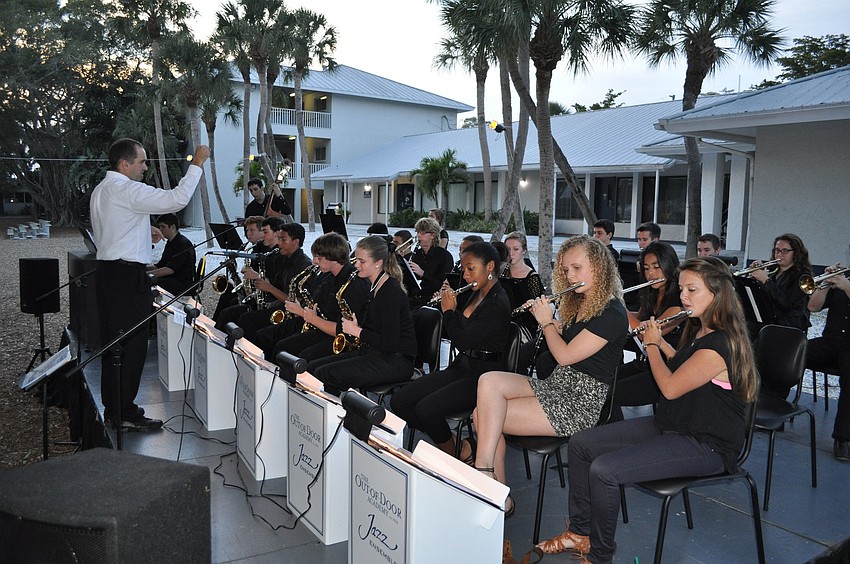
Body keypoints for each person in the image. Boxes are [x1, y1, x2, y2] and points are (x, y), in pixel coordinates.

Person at [535, 256, 758, 564]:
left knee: (605, 470)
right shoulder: (703, 329)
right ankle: (580, 533)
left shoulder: (722, 344)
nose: (683, 296)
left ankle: (601, 556)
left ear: (717, 294)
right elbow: (683, 363)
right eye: (681, 289)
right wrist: (659, 344)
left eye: (692, 290)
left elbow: (669, 387)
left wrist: (652, 345)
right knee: (582, 444)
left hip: (707, 443)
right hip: (675, 424)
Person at [472, 236, 628, 515]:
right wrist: (554, 324)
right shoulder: (582, 302)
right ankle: (490, 481)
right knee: (489, 381)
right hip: (558, 385)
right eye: (566, 270)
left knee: (481, 415)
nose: (570, 276)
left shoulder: (612, 311)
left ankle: (489, 483)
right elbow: (569, 346)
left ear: (599, 267)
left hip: (581, 401)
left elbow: (566, 356)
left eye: (577, 268)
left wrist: (545, 323)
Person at [90, 138, 209, 431]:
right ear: (124, 164)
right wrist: (196, 165)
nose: (145, 167)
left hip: (108, 272)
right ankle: (125, 413)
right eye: (142, 162)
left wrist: (145, 229)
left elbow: (116, 226)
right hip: (127, 277)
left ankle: (115, 410)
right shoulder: (127, 188)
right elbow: (176, 200)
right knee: (131, 346)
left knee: (114, 345)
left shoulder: (103, 189)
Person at [391, 242, 510, 459]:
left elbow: (462, 340)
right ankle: (458, 446)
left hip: (483, 376)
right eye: (463, 269)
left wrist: (448, 312)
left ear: (490, 266)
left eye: (471, 268)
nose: (465, 275)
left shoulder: (497, 302)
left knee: (426, 410)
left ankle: (456, 454)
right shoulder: (476, 292)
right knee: (400, 401)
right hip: (462, 367)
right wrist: (449, 305)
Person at [308, 236, 417, 396]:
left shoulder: (390, 292)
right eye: (355, 259)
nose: (356, 265)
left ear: (378, 262)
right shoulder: (376, 286)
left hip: (396, 360)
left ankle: (343, 416)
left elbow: (390, 344)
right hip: (378, 353)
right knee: (312, 368)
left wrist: (357, 331)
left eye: (361, 261)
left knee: (325, 374)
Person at [612, 241, 684, 420]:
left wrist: (619, 305)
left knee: (611, 394)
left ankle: (616, 438)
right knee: (602, 383)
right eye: (646, 268)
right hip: (646, 363)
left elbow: (648, 333)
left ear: (669, 266)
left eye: (656, 267)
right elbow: (641, 317)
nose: (651, 273)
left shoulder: (680, 302)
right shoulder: (653, 293)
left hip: (666, 370)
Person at [273, 232, 369, 362]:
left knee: (304, 356)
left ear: (333, 257)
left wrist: (304, 314)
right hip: (323, 329)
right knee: (282, 346)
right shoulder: (328, 276)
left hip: (342, 338)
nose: (314, 262)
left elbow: (344, 329)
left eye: (319, 258)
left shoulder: (354, 283)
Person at [231, 223, 312, 343]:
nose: (279, 243)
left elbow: (296, 301)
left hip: (292, 314)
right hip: (280, 305)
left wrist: (269, 288)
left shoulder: (304, 265)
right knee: (240, 314)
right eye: (279, 239)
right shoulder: (284, 259)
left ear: (296, 242)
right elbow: (280, 286)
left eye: (283, 239)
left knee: (249, 321)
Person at [806, 260, 850, 461]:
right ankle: (773, 405)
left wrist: (846, 287)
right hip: (830, 341)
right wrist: (824, 284)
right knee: (791, 353)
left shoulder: (845, 283)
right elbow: (813, 306)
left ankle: (843, 439)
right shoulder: (844, 278)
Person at [749, 233, 812, 335]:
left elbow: (787, 303)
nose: (779, 254)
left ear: (796, 253)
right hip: (769, 321)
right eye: (777, 250)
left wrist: (766, 281)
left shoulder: (804, 276)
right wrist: (756, 279)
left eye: (785, 251)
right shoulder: (773, 271)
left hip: (789, 326)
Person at [211, 215, 264, 321]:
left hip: (259, 297)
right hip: (251, 293)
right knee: (227, 294)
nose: (248, 233)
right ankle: (214, 325)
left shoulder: (263, 253)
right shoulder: (253, 249)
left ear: (262, 232)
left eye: (252, 230)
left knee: (229, 309)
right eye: (247, 230)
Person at [501, 231, 544, 342]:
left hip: (525, 327)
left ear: (524, 250)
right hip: (504, 322)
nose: (511, 253)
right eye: (508, 249)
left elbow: (539, 306)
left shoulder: (532, 277)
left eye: (516, 249)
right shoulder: (501, 272)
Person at [408, 217, 454, 309]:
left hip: (433, 300)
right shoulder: (417, 254)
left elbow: (442, 284)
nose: (419, 236)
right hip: (415, 298)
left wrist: (422, 273)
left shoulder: (444, 256)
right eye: (417, 232)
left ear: (433, 235)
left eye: (422, 233)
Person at [148, 213, 196, 296]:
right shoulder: (170, 243)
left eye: (163, 227)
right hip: (172, 278)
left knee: (146, 283)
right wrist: (141, 268)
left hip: (182, 282)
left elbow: (170, 269)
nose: (160, 229)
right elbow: (160, 265)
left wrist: (146, 275)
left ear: (173, 227)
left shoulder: (182, 244)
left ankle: (150, 308)